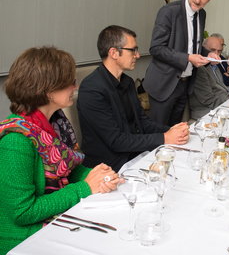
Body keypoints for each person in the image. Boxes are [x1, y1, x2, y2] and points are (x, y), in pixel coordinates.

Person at [0, 47, 121, 255]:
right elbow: (22, 212)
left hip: (53, 223)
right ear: (48, 91)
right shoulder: (16, 141)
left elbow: (68, 171)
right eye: (69, 82)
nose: (75, 86)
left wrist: (98, 177)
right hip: (23, 244)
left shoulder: (54, 124)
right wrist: (85, 187)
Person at [78, 25, 189, 172]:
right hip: (109, 166)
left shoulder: (127, 82)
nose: (137, 55)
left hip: (134, 155)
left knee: (181, 166)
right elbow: (116, 141)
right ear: (114, 53)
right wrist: (164, 138)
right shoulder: (92, 89)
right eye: (133, 50)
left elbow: (142, 122)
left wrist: (172, 130)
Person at [143, 0, 216, 126]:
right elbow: (156, 48)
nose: (198, 0)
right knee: (159, 136)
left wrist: (207, 54)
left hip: (184, 84)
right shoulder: (168, 11)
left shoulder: (202, 14)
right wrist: (188, 58)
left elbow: (192, 44)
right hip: (164, 84)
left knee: (175, 134)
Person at [189, 37, 229, 119]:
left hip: (220, 105)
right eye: (213, 50)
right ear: (204, 49)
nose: (216, 54)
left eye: (219, 51)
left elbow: (221, 88)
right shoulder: (200, 68)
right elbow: (207, 100)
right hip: (205, 111)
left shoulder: (214, 65)